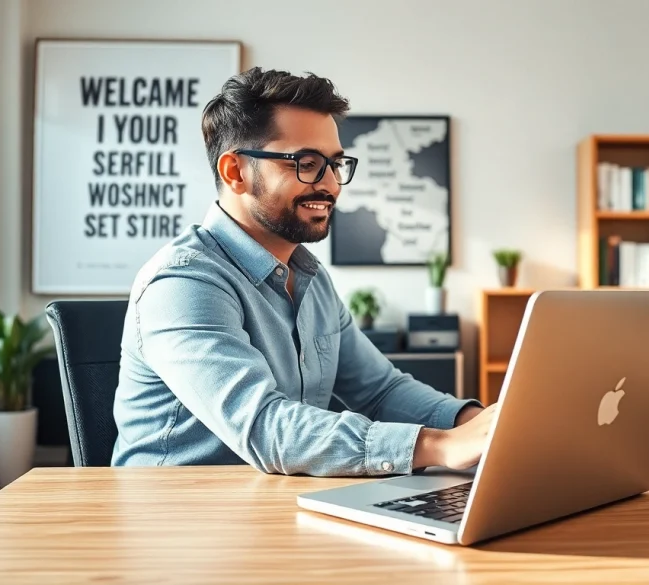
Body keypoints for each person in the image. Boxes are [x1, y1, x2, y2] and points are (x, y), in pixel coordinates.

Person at [111, 67, 496, 476]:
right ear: (235, 172)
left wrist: (478, 424)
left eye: (335, 164)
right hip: (180, 509)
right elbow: (265, 427)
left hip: (277, 499)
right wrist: (439, 446)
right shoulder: (183, 283)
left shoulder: (310, 278)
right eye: (307, 163)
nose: (332, 185)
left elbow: (381, 391)